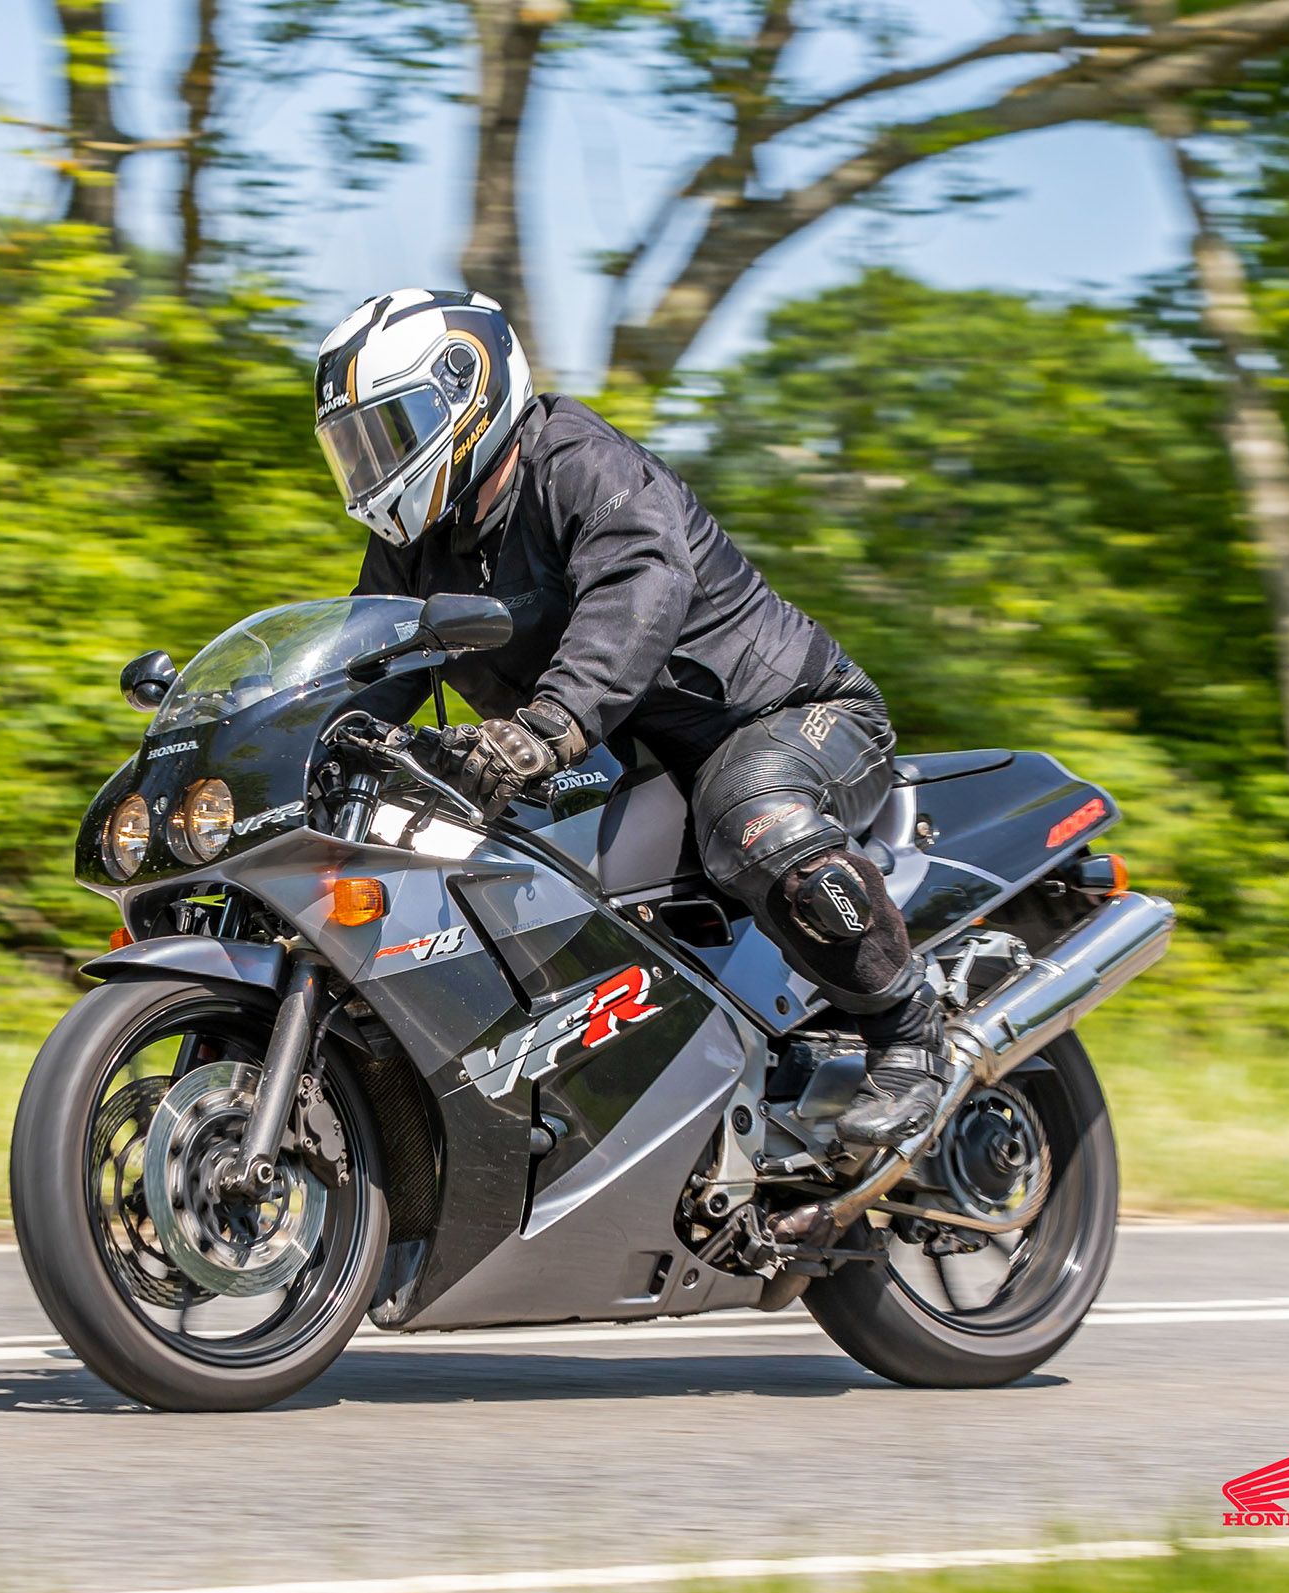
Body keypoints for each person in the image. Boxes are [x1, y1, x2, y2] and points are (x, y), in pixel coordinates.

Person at [316, 287, 942, 1151]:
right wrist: (315, 746)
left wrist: (545, 728)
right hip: (619, 759)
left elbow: (637, 593)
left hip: (785, 716)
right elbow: (377, 659)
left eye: (391, 432)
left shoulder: (583, 466)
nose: (373, 463)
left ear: (467, 391)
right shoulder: (414, 543)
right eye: (355, 444)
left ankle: (907, 1033)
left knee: (750, 815)